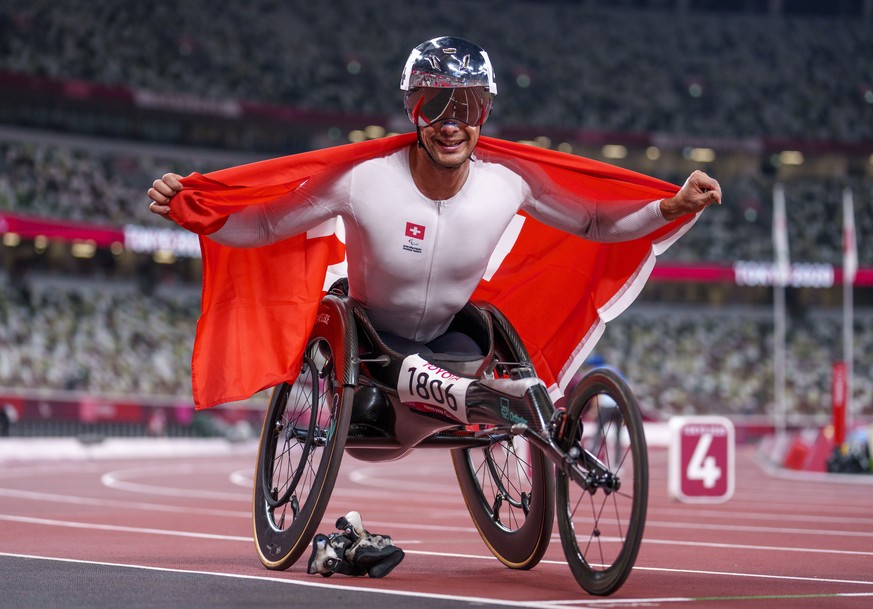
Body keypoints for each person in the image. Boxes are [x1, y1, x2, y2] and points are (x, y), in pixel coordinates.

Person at [147, 36, 721, 409]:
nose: (452, 124)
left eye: (468, 107)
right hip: (370, 347)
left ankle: (496, 399)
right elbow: (266, 226)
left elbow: (594, 222)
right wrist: (198, 213)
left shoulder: (508, 184)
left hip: (454, 340)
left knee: (498, 350)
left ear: (486, 114)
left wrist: (667, 208)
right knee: (455, 380)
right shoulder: (362, 180)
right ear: (412, 109)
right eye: (436, 106)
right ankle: (474, 395)